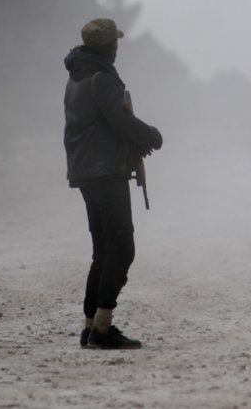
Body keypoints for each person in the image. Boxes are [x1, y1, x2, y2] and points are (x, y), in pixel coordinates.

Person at [64, 18, 163, 349]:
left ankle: (90, 326)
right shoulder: (102, 79)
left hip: (86, 173)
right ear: (109, 46)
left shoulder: (76, 78)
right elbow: (119, 121)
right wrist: (151, 136)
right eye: (115, 42)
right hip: (106, 172)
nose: (118, 47)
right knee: (122, 247)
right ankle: (103, 330)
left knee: (102, 249)